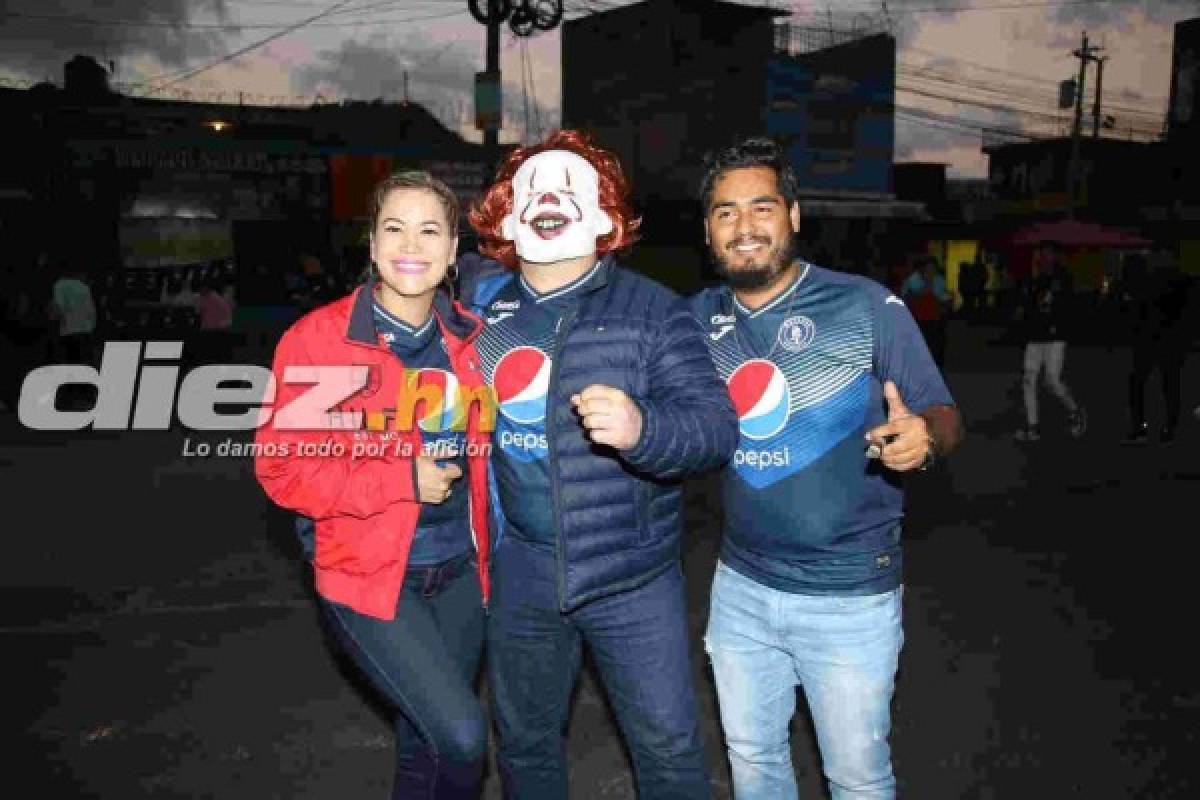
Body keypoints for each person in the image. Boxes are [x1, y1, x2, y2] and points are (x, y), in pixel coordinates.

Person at [463, 129, 738, 799]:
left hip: (631, 576)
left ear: (607, 216)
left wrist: (645, 429)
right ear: (504, 214)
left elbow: (715, 428)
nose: (548, 199)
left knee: (668, 747)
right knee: (524, 743)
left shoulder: (653, 310)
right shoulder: (476, 310)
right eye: (531, 189)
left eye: (568, 188)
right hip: (522, 569)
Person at [689, 136, 964, 800]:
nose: (745, 227)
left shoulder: (865, 305)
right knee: (753, 761)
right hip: (740, 590)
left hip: (849, 597)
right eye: (725, 213)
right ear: (707, 230)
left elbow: (942, 410)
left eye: (761, 207)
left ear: (794, 215)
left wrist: (923, 436)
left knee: (857, 779)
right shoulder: (693, 320)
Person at [254, 171, 493, 799]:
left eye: (429, 230)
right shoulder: (319, 340)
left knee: (424, 739)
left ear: (450, 252)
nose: (410, 244)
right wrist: (400, 478)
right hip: (368, 577)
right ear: (370, 243)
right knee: (464, 735)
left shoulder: (472, 340)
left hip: (462, 575)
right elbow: (282, 469)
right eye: (394, 228)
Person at [1013, 241, 1087, 442]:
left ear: (1055, 257)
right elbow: (1024, 306)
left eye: (1047, 254)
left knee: (1052, 381)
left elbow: (1063, 304)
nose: (1043, 258)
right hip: (1034, 336)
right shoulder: (1032, 279)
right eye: (1040, 254)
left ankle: (1075, 411)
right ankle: (1032, 426)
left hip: (1055, 337)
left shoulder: (1062, 278)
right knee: (1029, 379)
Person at [1120, 249, 1193, 444]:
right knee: (1166, 384)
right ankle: (1165, 426)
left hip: (1155, 337)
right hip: (1163, 338)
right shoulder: (1176, 279)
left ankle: (1145, 427)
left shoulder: (1149, 277)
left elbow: (1137, 307)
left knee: (1147, 383)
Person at [899, 255, 952, 366]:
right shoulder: (913, 279)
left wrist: (946, 301)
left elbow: (943, 296)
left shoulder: (938, 280)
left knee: (936, 343)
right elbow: (907, 295)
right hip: (918, 318)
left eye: (933, 268)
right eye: (928, 268)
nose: (931, 270)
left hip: (934, 317)